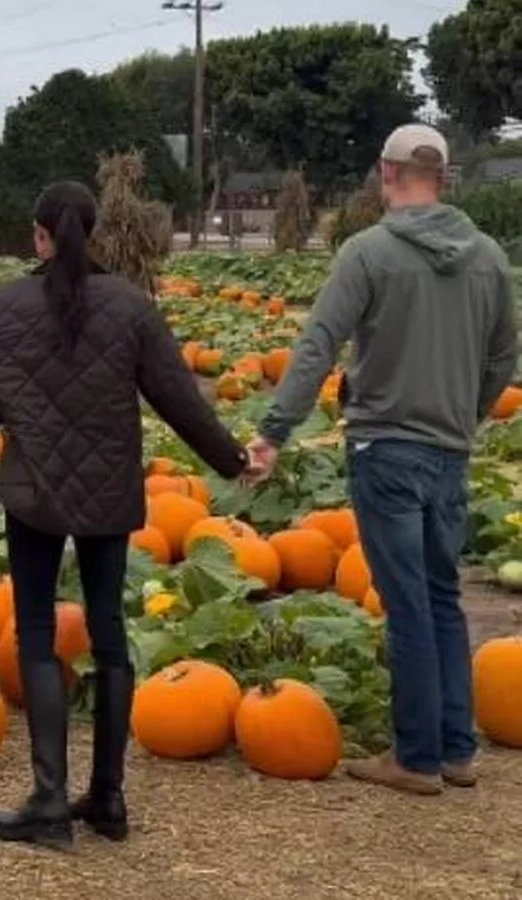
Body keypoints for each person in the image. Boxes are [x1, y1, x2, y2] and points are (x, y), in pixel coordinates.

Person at [0, 181, 251, 848]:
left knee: (37, 634)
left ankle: (47, 801)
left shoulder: (1, 306)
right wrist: (233, 459)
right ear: (89, 233)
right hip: (108, 488)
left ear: (39, 235)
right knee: (109, 633)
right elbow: (179, 399)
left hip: (34, 488)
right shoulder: (129, 306)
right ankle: (108, 798)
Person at [245, 124, 519, 795]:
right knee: (443, 594)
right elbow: (504, 358)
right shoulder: (488, 257)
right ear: (445, 177)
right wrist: (467, 415)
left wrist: (274, 430)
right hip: (449, 451)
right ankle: (456, 750)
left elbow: (318, 345)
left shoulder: (367, 252)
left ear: (385, 172)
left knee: (407, 604)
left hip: (386, 448)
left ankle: (417, 758)